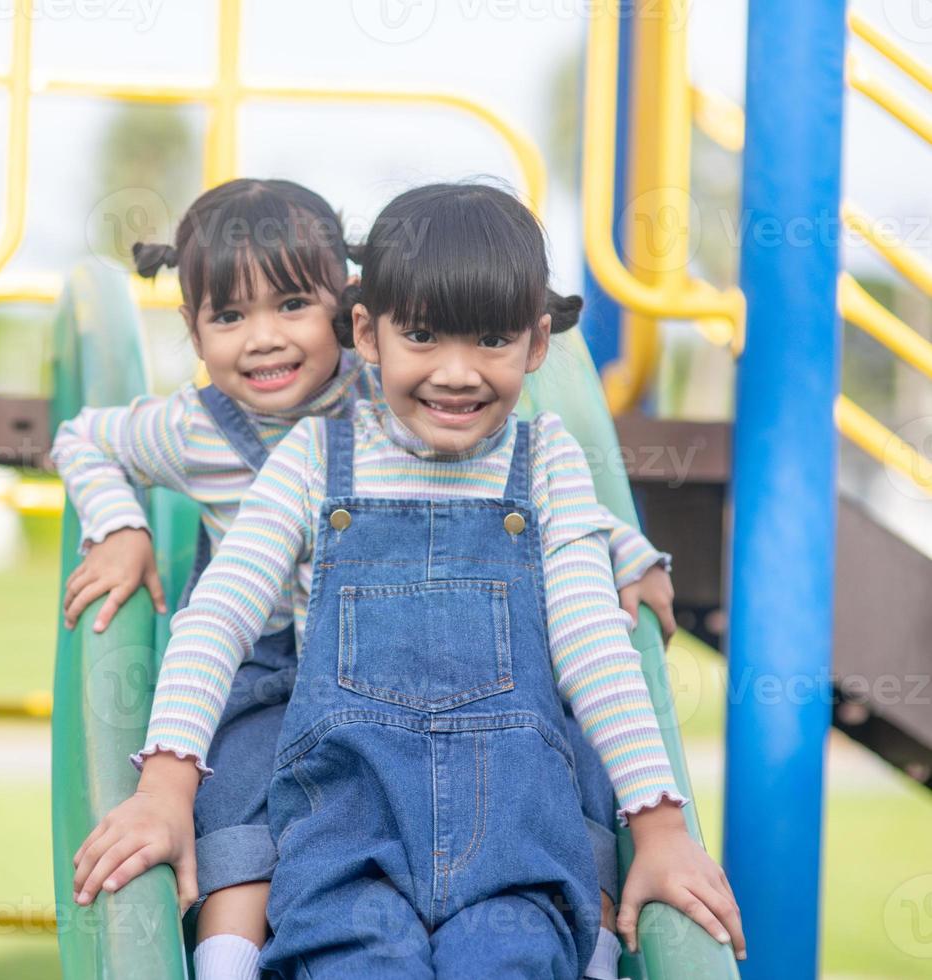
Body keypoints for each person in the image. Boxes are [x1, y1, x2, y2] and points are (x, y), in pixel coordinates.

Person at [56, 178, 687, 979]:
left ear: (535, 345)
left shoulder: (547, 459)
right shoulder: (318, 455)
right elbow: (217, 615)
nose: (456, 373)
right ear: (370, 333)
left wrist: (663, 830)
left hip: (511, 840)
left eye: (489, 341)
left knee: (512, 947)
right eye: (423, 335)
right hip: (350, 823)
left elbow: (593, 640)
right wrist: (164, 786)